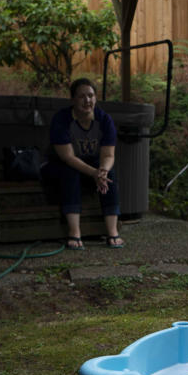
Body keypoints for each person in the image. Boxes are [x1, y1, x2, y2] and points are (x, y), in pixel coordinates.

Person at [41, 78, 124, 250]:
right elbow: (68, 157)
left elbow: (108, 154)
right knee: (69, 172)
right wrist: (94, 173)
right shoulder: (62, 119)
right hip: (61, 166)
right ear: (73, 100)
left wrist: (102, 171)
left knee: (110, 175)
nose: (87, 100)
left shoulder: (104, 120)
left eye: (91, 96)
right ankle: (74, 232)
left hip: (92, 167)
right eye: (81, 97)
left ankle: (112, 232)